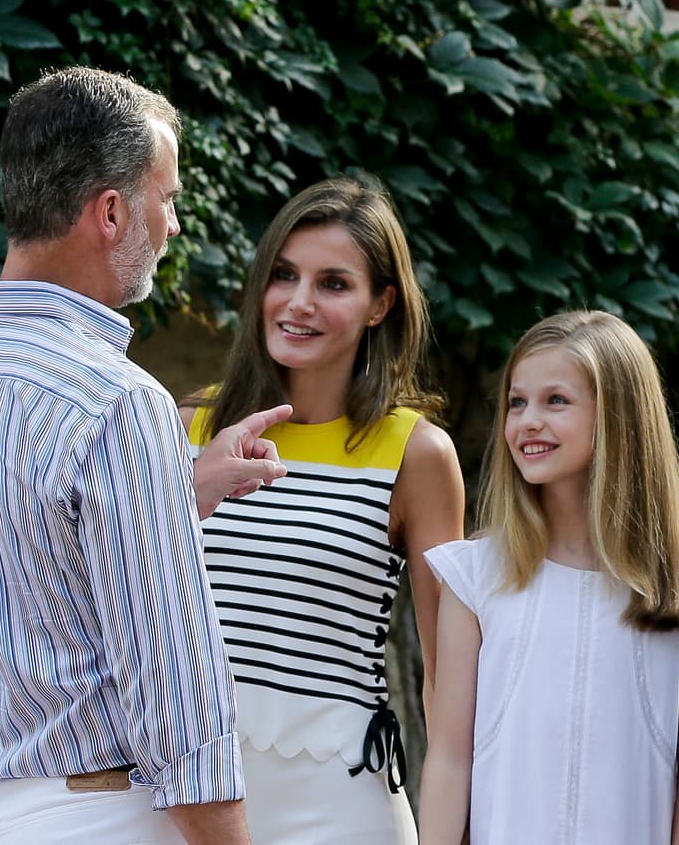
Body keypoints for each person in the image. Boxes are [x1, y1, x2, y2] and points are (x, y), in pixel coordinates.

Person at [0, 66, 291, 845]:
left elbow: (16, 560)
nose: (172, 226)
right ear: (110, 211)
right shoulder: (117, 401)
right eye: (165, 200)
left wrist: (171, 489)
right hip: (102, 816)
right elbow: (177, 701)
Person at [179, 175, 465, 845]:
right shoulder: (192, 425)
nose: (298, 302)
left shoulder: (417, 454)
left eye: (333, 283)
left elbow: (446, 673)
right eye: (284, 275)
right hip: (191, 790)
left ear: (379, 304)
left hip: (339, 797)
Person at [418, 310, 679, 845]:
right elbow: (450, 758)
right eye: (517, 402)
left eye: (556, 400)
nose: (528, 420)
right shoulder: (474, 576)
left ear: (619, 418)